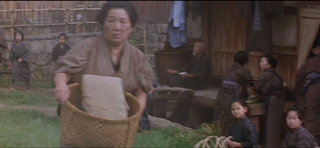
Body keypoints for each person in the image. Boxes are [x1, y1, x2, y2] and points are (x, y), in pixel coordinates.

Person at [53, 2, 154, 147]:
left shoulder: (138, 57)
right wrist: (61, 85)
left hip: (116, 129)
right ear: (103, 23)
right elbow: (63, 71)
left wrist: (135, 116)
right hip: (81, 124)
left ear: (131, 27)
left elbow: (142, 90)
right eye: (111, 21)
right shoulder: (87, 47)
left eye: (123, 22)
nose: (117, 27)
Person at [214, 51, 254, 129]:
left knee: (219, 123)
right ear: (245, 61)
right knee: (233, 122)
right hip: (231, 97)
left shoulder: (229, 70)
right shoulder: (244, 71)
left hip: (220, 97)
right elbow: (251, 86)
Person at [253, 54, 284, 147]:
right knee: (275, 124)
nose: (260, 64)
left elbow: (258, 88)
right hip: (279, 100)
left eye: (263, 62)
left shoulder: (265, 74)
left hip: (273, 100)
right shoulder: (277, 74)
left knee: (271, 125)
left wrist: (251, 88)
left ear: (269, 65)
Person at [295, 45, 320, 145]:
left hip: (313, 91)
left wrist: (299, 91)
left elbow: (300, 75)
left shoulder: (311, 61)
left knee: (312, 116)